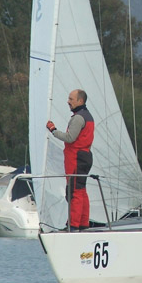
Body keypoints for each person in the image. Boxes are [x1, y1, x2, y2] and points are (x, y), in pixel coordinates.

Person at [46, 89, 94, 232]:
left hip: (76, 158)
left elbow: (70, 138)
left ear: (80, 101)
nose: (68, 101)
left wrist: (53, 130)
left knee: (74, 192)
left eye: (71, 99)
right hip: (84, 157)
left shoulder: (79, 118)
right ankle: (83, 224)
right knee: (81, 191)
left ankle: (73, 226)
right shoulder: (88, 116)